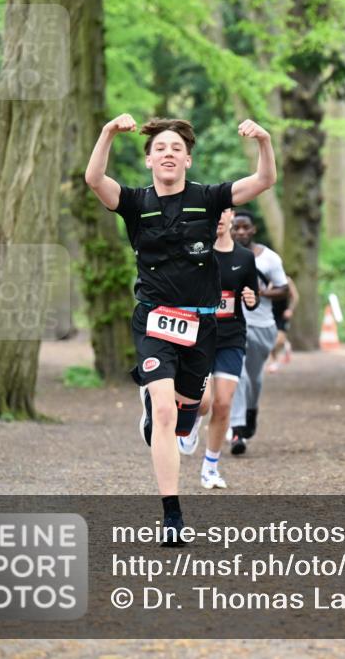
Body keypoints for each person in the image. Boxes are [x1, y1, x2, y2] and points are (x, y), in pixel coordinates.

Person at [85, 113, 276, 545]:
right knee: (166, 414)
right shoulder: (135, 201)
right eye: (160, 149)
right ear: (150, 160)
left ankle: (169, 417)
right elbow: (95, 178)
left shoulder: (208, 198)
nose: (168, 153)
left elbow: (263, 181)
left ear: (187, 160)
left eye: (176, 149)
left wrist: (264, 140)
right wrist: (107, 133)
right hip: (154, 319)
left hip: (201, 324)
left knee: (190, 413)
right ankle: (172, 516)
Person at [179, 207, 259, 489]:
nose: (220, 218)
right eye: (216, 212)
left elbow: (253, 295)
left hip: (231, 337)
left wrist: (251, 298)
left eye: (224, 212)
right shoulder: (196, 252)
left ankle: (210, 467)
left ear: (230, 216)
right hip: (199, 336)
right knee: (202, 402)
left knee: (223, 404)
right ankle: (189, 424)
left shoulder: (245, 258)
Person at [228, 211, 289, 455]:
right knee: (237, 375)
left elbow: (284, 288)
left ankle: (250, 410)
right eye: (236, 228)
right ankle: (237, 428)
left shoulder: (270, 259)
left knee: (253, 378)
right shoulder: (221, 254)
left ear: (253, 230)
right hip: (233, 325)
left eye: (245, 228)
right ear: (229, 230)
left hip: (263, 325)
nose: (241, 232)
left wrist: (260, 293)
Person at [267, 274, 297, 373]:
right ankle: (274, 360)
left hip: (282, 314)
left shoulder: (287, 280)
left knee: (278, 340)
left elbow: (295, 297)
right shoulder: (267, 279)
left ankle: (282, 346)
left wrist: (290, 310)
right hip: (269, 313)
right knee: (271, 339)